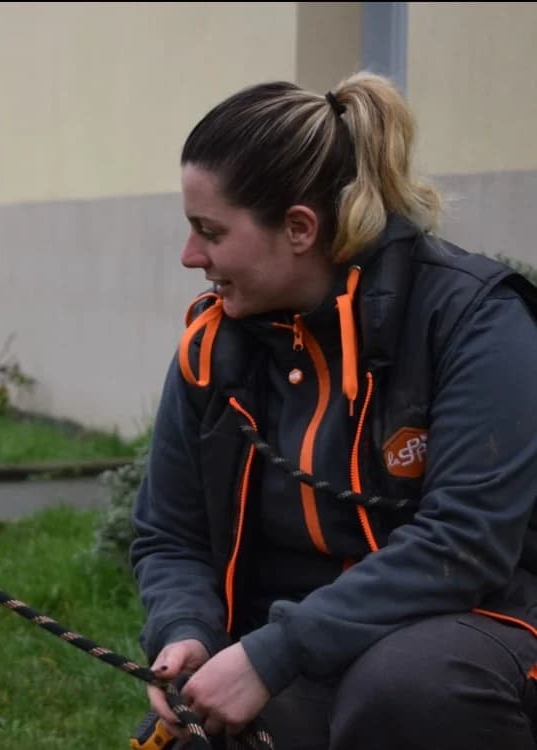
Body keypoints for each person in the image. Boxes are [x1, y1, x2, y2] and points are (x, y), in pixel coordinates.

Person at [130, 70, 537, 749]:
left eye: (210, 231)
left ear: (297, 228)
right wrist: (185, 632)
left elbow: (463, 546)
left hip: (481, 627)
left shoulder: (476, 321)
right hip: (303, 647)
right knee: (191, 735)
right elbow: (171, 536)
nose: (189, 256)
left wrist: (272, 654)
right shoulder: (211, 349)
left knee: (406, 691)